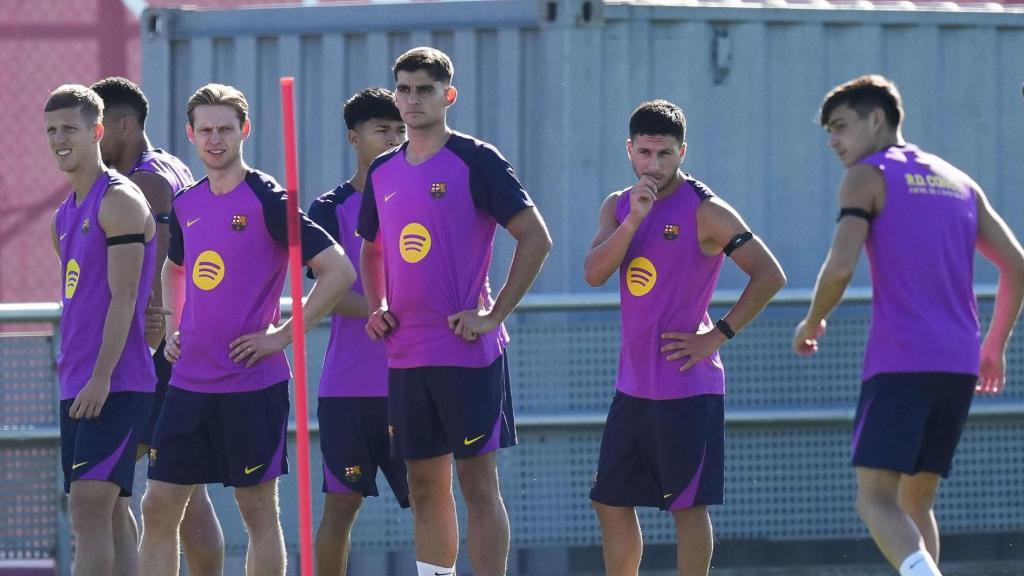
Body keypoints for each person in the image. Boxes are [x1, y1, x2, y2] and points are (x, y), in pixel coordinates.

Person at [793, 74, 1024, 576]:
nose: (833, 141)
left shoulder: (866, 176)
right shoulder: (958, 181)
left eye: (841, 126)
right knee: (915, 501)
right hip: (959, 364)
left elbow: (839, 267)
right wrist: (994, 346)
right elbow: (1017, 264)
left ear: (877, 119)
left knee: (874, 499)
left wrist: (812, 320)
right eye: (829, 132)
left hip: (902, 361)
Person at [138, 83, 355, 576]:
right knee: (158, 506)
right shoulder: (187, 203)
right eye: (206, 130)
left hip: (251, 385)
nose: (215, 139)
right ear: (191, 134)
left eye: (225, 129)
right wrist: (174, 326)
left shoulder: (268, 199)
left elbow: (338, 271)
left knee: (257, 513)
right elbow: (176, 267)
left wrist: (281, 336)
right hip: (187, 384)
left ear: (244, 131)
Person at [358, 47, 553, 576]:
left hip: (467, 353)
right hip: (406, 354)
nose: (412, 99)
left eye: (424, 89)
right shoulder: (382, 170)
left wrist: (494, 315)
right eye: (404, 89)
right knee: (424, 487)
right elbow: (371, 250)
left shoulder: (476, 159)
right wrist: (377, 305)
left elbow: (536, 237)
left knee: (477, 485)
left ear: (449, 95)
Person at [583, 99, 786, 576]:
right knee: (609, 500)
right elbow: (594, 273)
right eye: (645, 153)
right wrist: (633, 220)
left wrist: (717, 335)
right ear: (629, 150)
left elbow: (769, 275)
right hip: (633, 387)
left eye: (665, 154)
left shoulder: (706, 210)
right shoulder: (618, 205)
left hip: (686, 387)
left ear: (682, 152)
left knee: (686, 507)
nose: (654, 165)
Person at [90, 76, 225, 576]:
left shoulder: (144, 182)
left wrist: (146, 339)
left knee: (105, 487)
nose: (91, 138)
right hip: (183, 347)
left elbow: (161, 269)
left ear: (125, 125)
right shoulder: (172, 165)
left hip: (156, 352)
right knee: (184, 490)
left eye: (98, 127)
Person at [45, 84, 158, 576]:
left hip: (114, 384)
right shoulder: (63, 216)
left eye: (69, 128)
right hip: (78, 383)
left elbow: (126, 297)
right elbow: (83, 299)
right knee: (111, 514)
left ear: (96, 131)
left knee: (88, 508)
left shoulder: (119, 201)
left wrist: (101, 377)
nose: (59, 139)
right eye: (51, 130)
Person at [307, 87, 410, 575]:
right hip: (349, 388)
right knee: (341, 505)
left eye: (399, 129)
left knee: (432, 499)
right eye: (381, 130)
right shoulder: (328, 208)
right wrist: (382, 308)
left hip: (414, 381)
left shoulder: (422, 197)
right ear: (354, 137)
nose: (393, 138)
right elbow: (327, 292)